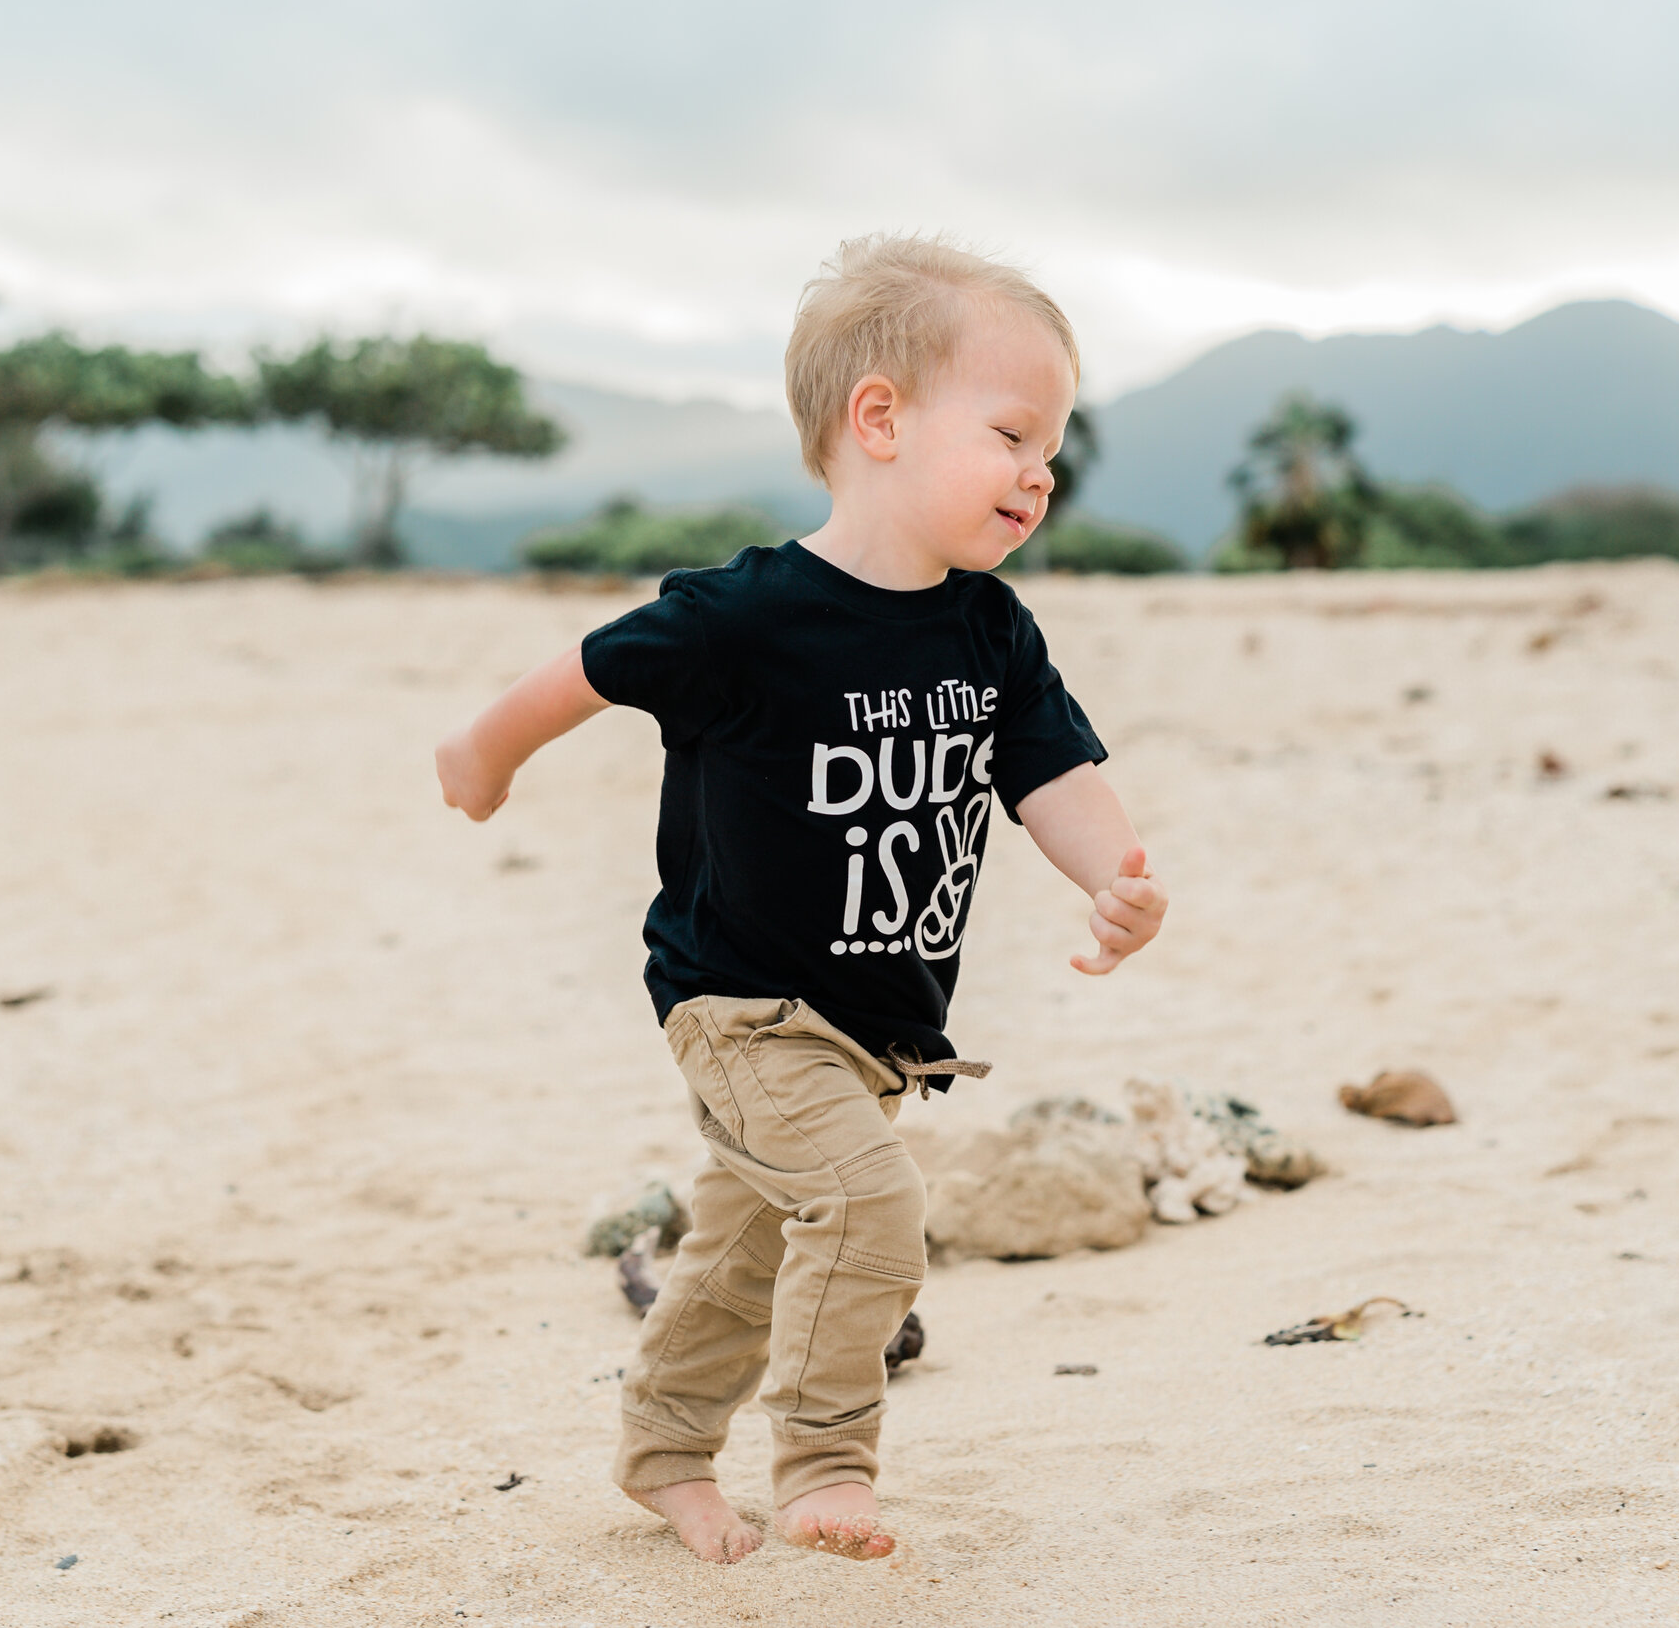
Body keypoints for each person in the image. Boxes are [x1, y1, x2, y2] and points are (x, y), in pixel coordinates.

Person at [434, 235, 1168, 1564]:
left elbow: (1051, 766)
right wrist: (485, 749)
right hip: (742, 1001)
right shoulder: (747, 615)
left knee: (744, 1253)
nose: (1039, 470)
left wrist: (1119, 878)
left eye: (1051, 446)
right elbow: (590, 669)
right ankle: (828, 1462)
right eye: (1012, 432)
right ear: (878, 418)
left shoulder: (987, 629)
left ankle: (662, 1449)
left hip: (873, 1027)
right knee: (874, 1206)